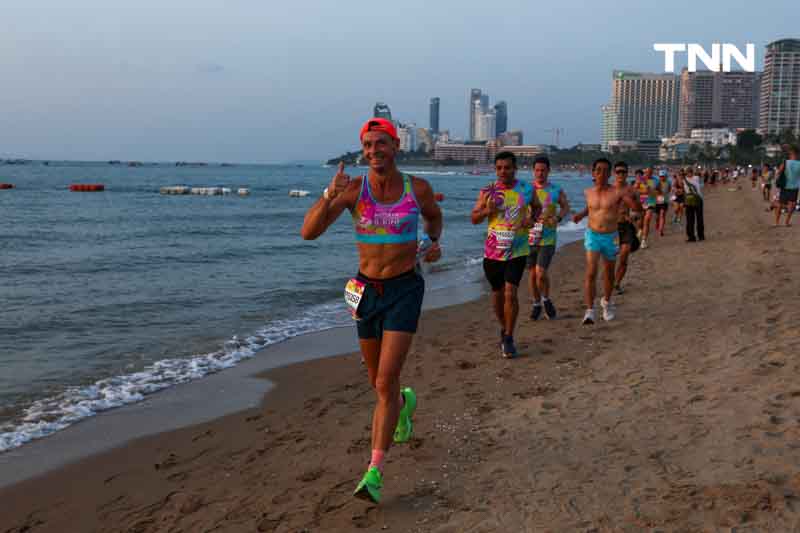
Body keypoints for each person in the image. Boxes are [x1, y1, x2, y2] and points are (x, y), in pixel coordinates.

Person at [300, 118, 443, 504]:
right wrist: (329, 194)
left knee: (385, 379)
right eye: (367, 145)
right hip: (362, 290)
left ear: (395, 147)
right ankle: (403, 405)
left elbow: (434, 218)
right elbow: (308, 232)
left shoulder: (418, 188)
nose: (373, 150)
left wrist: (433, 242)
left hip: (404, 288)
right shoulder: (352, 191)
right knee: (378, 383)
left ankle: (374, 472)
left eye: (381, 143)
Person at [472, 151, 540, 357]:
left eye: (507, 167)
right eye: (499, 168)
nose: (503, 171)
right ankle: (504, 327)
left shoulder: (526, 189)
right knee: (497, 296)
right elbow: (474, 218)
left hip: (517, 250)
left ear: (515, 168)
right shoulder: (487, 192)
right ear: (495, 169)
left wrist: (532, 220)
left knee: (511, 292)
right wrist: (487, 211)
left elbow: (537, 208)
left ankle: (509, 337)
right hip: (493, 252)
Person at [573, 158, 641, 324]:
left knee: (609, 273)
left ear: (609, 173)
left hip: (611, 236)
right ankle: (589, 311)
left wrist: (634, 205)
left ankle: (607, 302)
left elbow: (637, 208)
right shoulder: (588, 192)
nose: (602, 174)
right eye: (598, 170)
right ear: (593, 172)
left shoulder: (617, 193)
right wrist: (580, 215)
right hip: (592, 235)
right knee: (591, 271)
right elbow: (591, 208)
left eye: (605, 170)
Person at [527, 155, 570, 321]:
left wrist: (558, 218)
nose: (540, 173)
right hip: (529, 237)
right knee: (532, 274)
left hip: (548, 237)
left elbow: (565, 207)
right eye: (537, 170)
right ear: (533, 171)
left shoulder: (555, 189)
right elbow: (513, 210)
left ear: (548, 171)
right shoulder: (526, 189)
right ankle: (537, 304)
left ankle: (546, 299)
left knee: (541, 273)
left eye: (543, 170)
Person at [775, 144, 800, 226]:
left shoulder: (785, 162)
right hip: (795, 187)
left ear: (791, 154)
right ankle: (787, 222)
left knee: (780, 204)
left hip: (785, 186)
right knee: (792, 204)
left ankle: (777, 222)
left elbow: (778, 172)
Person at [633, 167, 657, 248]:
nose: (648, 174)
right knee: (641, 220)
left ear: (652, 173)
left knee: (647, 220)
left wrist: (660, 200)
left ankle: (643, 241)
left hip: (651, 202)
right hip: (643, 201)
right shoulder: (640, 179)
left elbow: (659, 190)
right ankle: (640, 230)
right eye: (647, 172)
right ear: (645, 173)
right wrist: (642, 191)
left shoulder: (655, 180)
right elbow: (634, 189)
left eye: (650, 172)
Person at [684, 167, 705, 242]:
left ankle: (691, 237)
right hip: (698, 200)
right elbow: (702, 176)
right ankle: (700, 236)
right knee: (698, 218)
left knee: (690, 219)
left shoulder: (684, 179)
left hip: (690, 200)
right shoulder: (697, 178)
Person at [654, 169, 671, 237]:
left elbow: (669, 190)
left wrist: (668, 198)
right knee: (657, 217)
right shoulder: (657, 182)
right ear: (659, 176)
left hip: (665, 201)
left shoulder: (668, 182)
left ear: (666, 176)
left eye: (663, 176)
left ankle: (661, 230)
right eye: (661, 176)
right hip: (657, 201)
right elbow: (653, 191)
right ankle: (657, 224)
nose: (662, 177)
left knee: (662, 214)